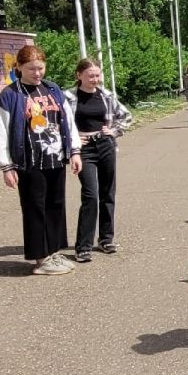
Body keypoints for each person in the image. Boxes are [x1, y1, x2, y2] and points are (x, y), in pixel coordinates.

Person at [0, 44, 81, 275]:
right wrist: (6, 166)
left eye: (40, 68)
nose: (37, 73)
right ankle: (40, 259)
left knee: (55, 205)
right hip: (29, 162)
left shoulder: (52, 90)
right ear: (19, 67)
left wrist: (74, 151)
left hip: (55, 158)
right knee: (35, 208)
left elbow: (68, 121)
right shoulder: (10, 95)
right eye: (31, 69)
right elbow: (0, 131)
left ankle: (53, 252)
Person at [71, 56, 131, 261]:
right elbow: (57, 122)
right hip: (84, 149)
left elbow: (126, 116)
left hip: (105, 146)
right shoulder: (68, 97)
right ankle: (83, 246)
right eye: (90, 76)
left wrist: (113, 131)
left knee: (108, 193)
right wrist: (72, 137)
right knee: (91, 195)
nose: (94, 79)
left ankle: (106, 239)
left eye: (97, 75)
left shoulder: (106, 95)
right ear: (79, 75)